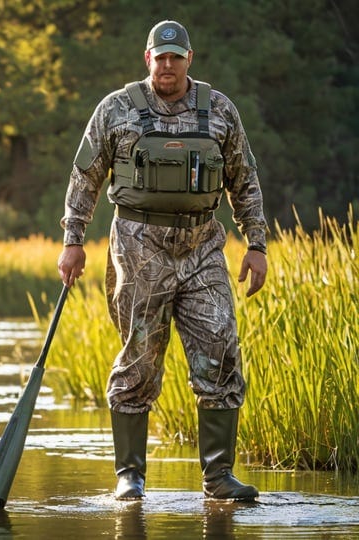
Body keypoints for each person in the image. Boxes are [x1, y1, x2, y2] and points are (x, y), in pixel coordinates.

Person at [57, 20, 268, 501]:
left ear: (189, 59)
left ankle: (218, 478)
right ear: (147, 58)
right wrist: (73, 239)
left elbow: (244, 178)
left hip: (202, 249)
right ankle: (129, 476)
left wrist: (257, 244)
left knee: (220, 353)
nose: (168, 66)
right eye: (161, 57)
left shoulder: (219, 111)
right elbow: (84, 177)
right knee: (139, 360)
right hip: (137, 248)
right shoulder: (115, 109)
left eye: (177, 57)